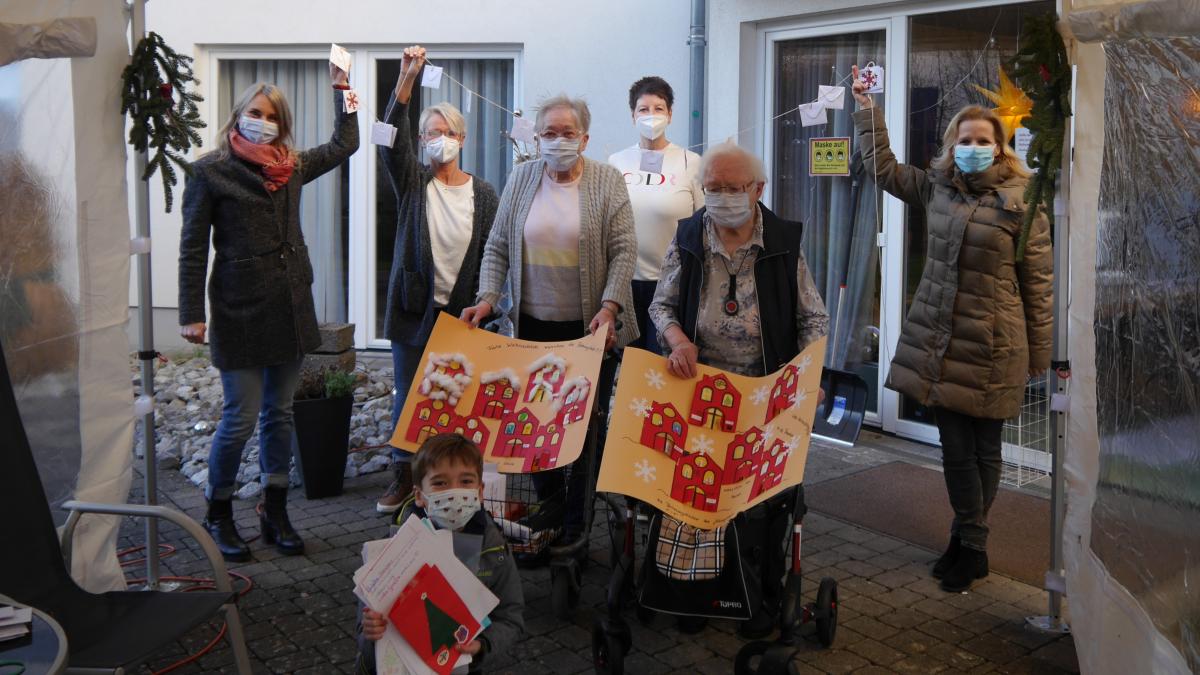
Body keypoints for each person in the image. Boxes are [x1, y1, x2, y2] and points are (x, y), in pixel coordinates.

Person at [850, 65, 1053, 593]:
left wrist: (1041, 353)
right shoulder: (937, 188)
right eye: (966, 140)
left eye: (983, 140)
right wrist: (867, 108)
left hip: (995, 344)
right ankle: (970, 540)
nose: (974, 147)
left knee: (986, 449)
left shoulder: (1022, 203)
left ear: (1002, 147)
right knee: (956, 448)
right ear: (952, 144)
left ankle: (969, 543)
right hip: (941, 340)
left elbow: (1039, 283)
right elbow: (884, 168)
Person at [178, 64, 360, 561]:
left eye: (273, 116)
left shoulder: (292, 164)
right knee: (240, 416)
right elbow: (193, 246)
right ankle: (218, 512)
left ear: (283, 124)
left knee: (279, 414)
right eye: (255, 113)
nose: (263, 121)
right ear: (239, 115)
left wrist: (345, 93)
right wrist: (191, 312)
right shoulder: (210, 170)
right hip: (238, 309)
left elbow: (345, 146)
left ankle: (273, 509)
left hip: (290, 305)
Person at [648, 140, 829, 638]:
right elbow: (660, 306)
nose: (723, 197)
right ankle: (696, 593)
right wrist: (678, 339)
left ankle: (760, 595)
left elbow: (812, 317)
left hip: (764, 388)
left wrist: (802, 383)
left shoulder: (784, 242)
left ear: (758, 189)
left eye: (734, 188)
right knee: (697, 494)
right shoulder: (687, 237)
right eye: (714, 189)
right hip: (698, 386)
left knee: (758, 500)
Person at [460, 94, 637, 539]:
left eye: (568, 133)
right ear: (537, 139)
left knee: (579, 427)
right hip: (532, 326)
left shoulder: (607, 180)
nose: (559, 141)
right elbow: (498, 244)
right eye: (549, 134)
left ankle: (576, 525)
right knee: (536, 423)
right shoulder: (522, 178)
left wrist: (609, 307)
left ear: (585, 137)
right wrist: (486, 299)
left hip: (590, 329)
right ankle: (552, 508)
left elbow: (624, 250)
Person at [376, 45, 500, 515]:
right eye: (430, 134)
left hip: (463, 314)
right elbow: (391, 137)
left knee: (457, 399)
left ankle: (458, 482)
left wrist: (489, 301)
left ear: (462, 138)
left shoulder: (484, 192)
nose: (438, 140)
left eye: (446, 133)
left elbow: (493, 251)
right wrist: (407, 78)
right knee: (408, 397)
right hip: (413, 308)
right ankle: (403, 480)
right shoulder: (412, 179)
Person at [357, 433, 524, 674]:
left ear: (479, 490)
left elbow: (511, 617)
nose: (454, 492)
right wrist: (370, 634)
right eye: (440, 483)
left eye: (466, 481)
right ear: (419, 495)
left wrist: (482, 646)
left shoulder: (494, 548)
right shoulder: (393, 550)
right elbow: (364, 632)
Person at [607, 76, 702, 354]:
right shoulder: (616, 162)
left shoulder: (691, 162)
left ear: (670, 114)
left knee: (660, 368)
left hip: (671, 287)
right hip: (624, 285)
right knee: (625, 366)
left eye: (659, 108)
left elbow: (702, 225)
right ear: (632, 115)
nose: (651, 116)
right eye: (643, 109)